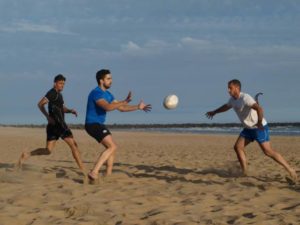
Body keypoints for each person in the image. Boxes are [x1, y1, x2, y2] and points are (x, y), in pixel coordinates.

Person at [206, 79, 297, 183]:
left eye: (230, 88)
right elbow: (226, 106)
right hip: (248, 129)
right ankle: (245, 173)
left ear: (237, 88)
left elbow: (259, 109)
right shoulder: (232, 99)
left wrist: (259, 122)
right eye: (228, 88)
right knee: (238, 147)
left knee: (268, 151)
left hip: (259, 128)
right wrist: (215, 112)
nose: (228, 90)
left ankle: (291, 170)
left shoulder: (245, 98)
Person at [85, 69, 151, 181]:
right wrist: (124, 101)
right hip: (92, 124)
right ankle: (94, 172)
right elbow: (107, 107)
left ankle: (108, 175)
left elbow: (121, 108)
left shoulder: (108, 94)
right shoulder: (96, 93)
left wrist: (137, 107)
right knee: (112, 146)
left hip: (99, 124)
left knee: (111, 147)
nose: (111, 81)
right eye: (108, 79)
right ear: (101, 81)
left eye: (111, 78)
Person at [18, 74, 85, 174]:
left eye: (63, 84)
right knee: (73, 146)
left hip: (52, 127)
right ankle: (83, 171)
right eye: (60, 83)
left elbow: (62, 108)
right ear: (55, 84)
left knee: (48, 150)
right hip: (59, 125)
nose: (62, 85)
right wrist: (47, 116)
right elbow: (40, 104)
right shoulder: (52, 93)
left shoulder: (59, 95)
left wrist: (70, 110)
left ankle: (27, 154)